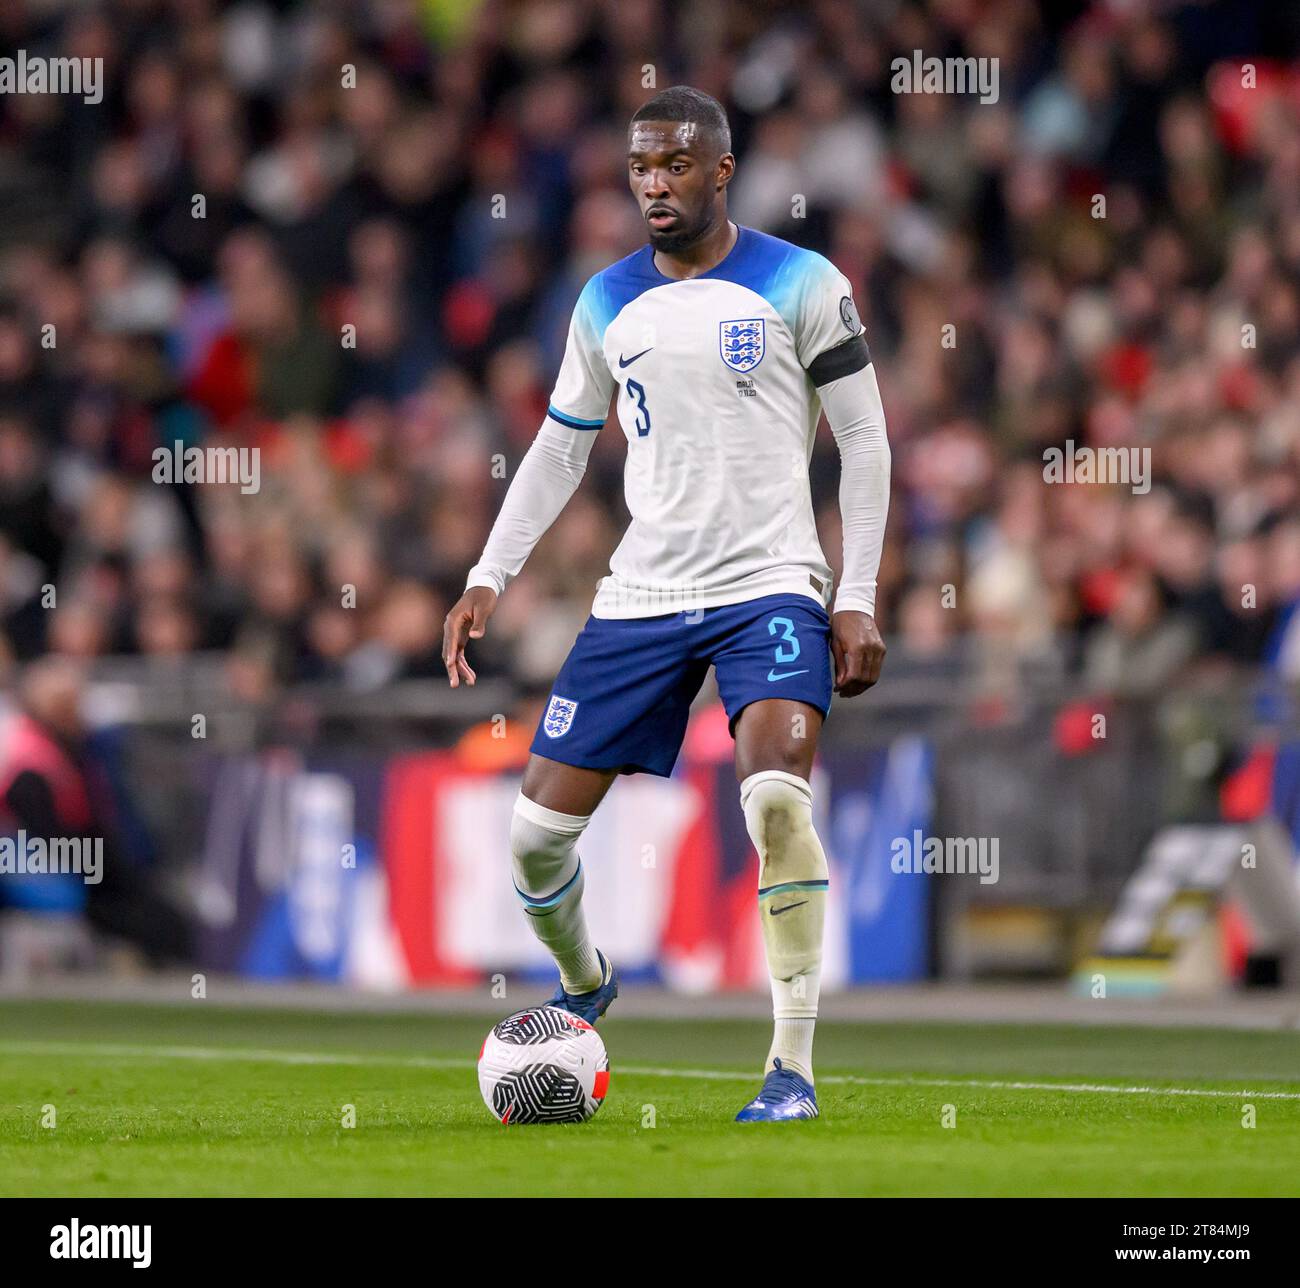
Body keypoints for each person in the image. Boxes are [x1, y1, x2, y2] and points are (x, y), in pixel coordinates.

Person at [442, 87, 890, 1122]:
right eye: (640, 167)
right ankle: (589, 978)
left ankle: (791, 1069)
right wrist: (486, 573)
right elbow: (561, 445)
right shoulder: (603, 300)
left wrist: (855, 594)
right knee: (533, 843)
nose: (654, 183)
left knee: (777, 799)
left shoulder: (802, 282)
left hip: (769, 580)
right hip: (644, 590)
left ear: (720, 171)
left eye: (676, 166)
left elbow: (863, 441)